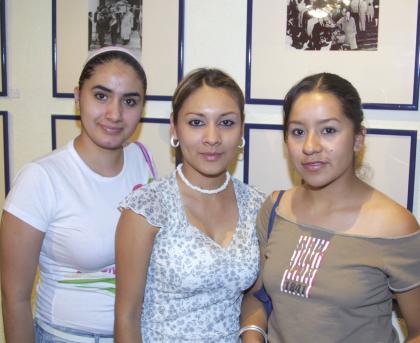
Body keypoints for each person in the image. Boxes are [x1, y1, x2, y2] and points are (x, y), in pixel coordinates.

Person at [240, 72, 420, 343]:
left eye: (329, 130)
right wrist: (252, 336)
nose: (310, 146)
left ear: (358, 138)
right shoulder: (276, 208)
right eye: (298, 132)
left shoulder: (394, 226)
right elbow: (256, 297)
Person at [0, 46, 157, 342]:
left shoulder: (142, 160)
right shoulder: (41, 178)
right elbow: (15, 298)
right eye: (101, 95)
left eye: (129, 101)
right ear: (77, 96)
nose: (115, 113)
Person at [115, 68, 265, 342]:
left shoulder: (256, 205)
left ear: (241, 128)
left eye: (226, 123)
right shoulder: (147, 208)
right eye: (196, 123)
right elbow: (127, 317)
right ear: (175, 127)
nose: (212, 138)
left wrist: (252, 335)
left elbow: (254, 297)